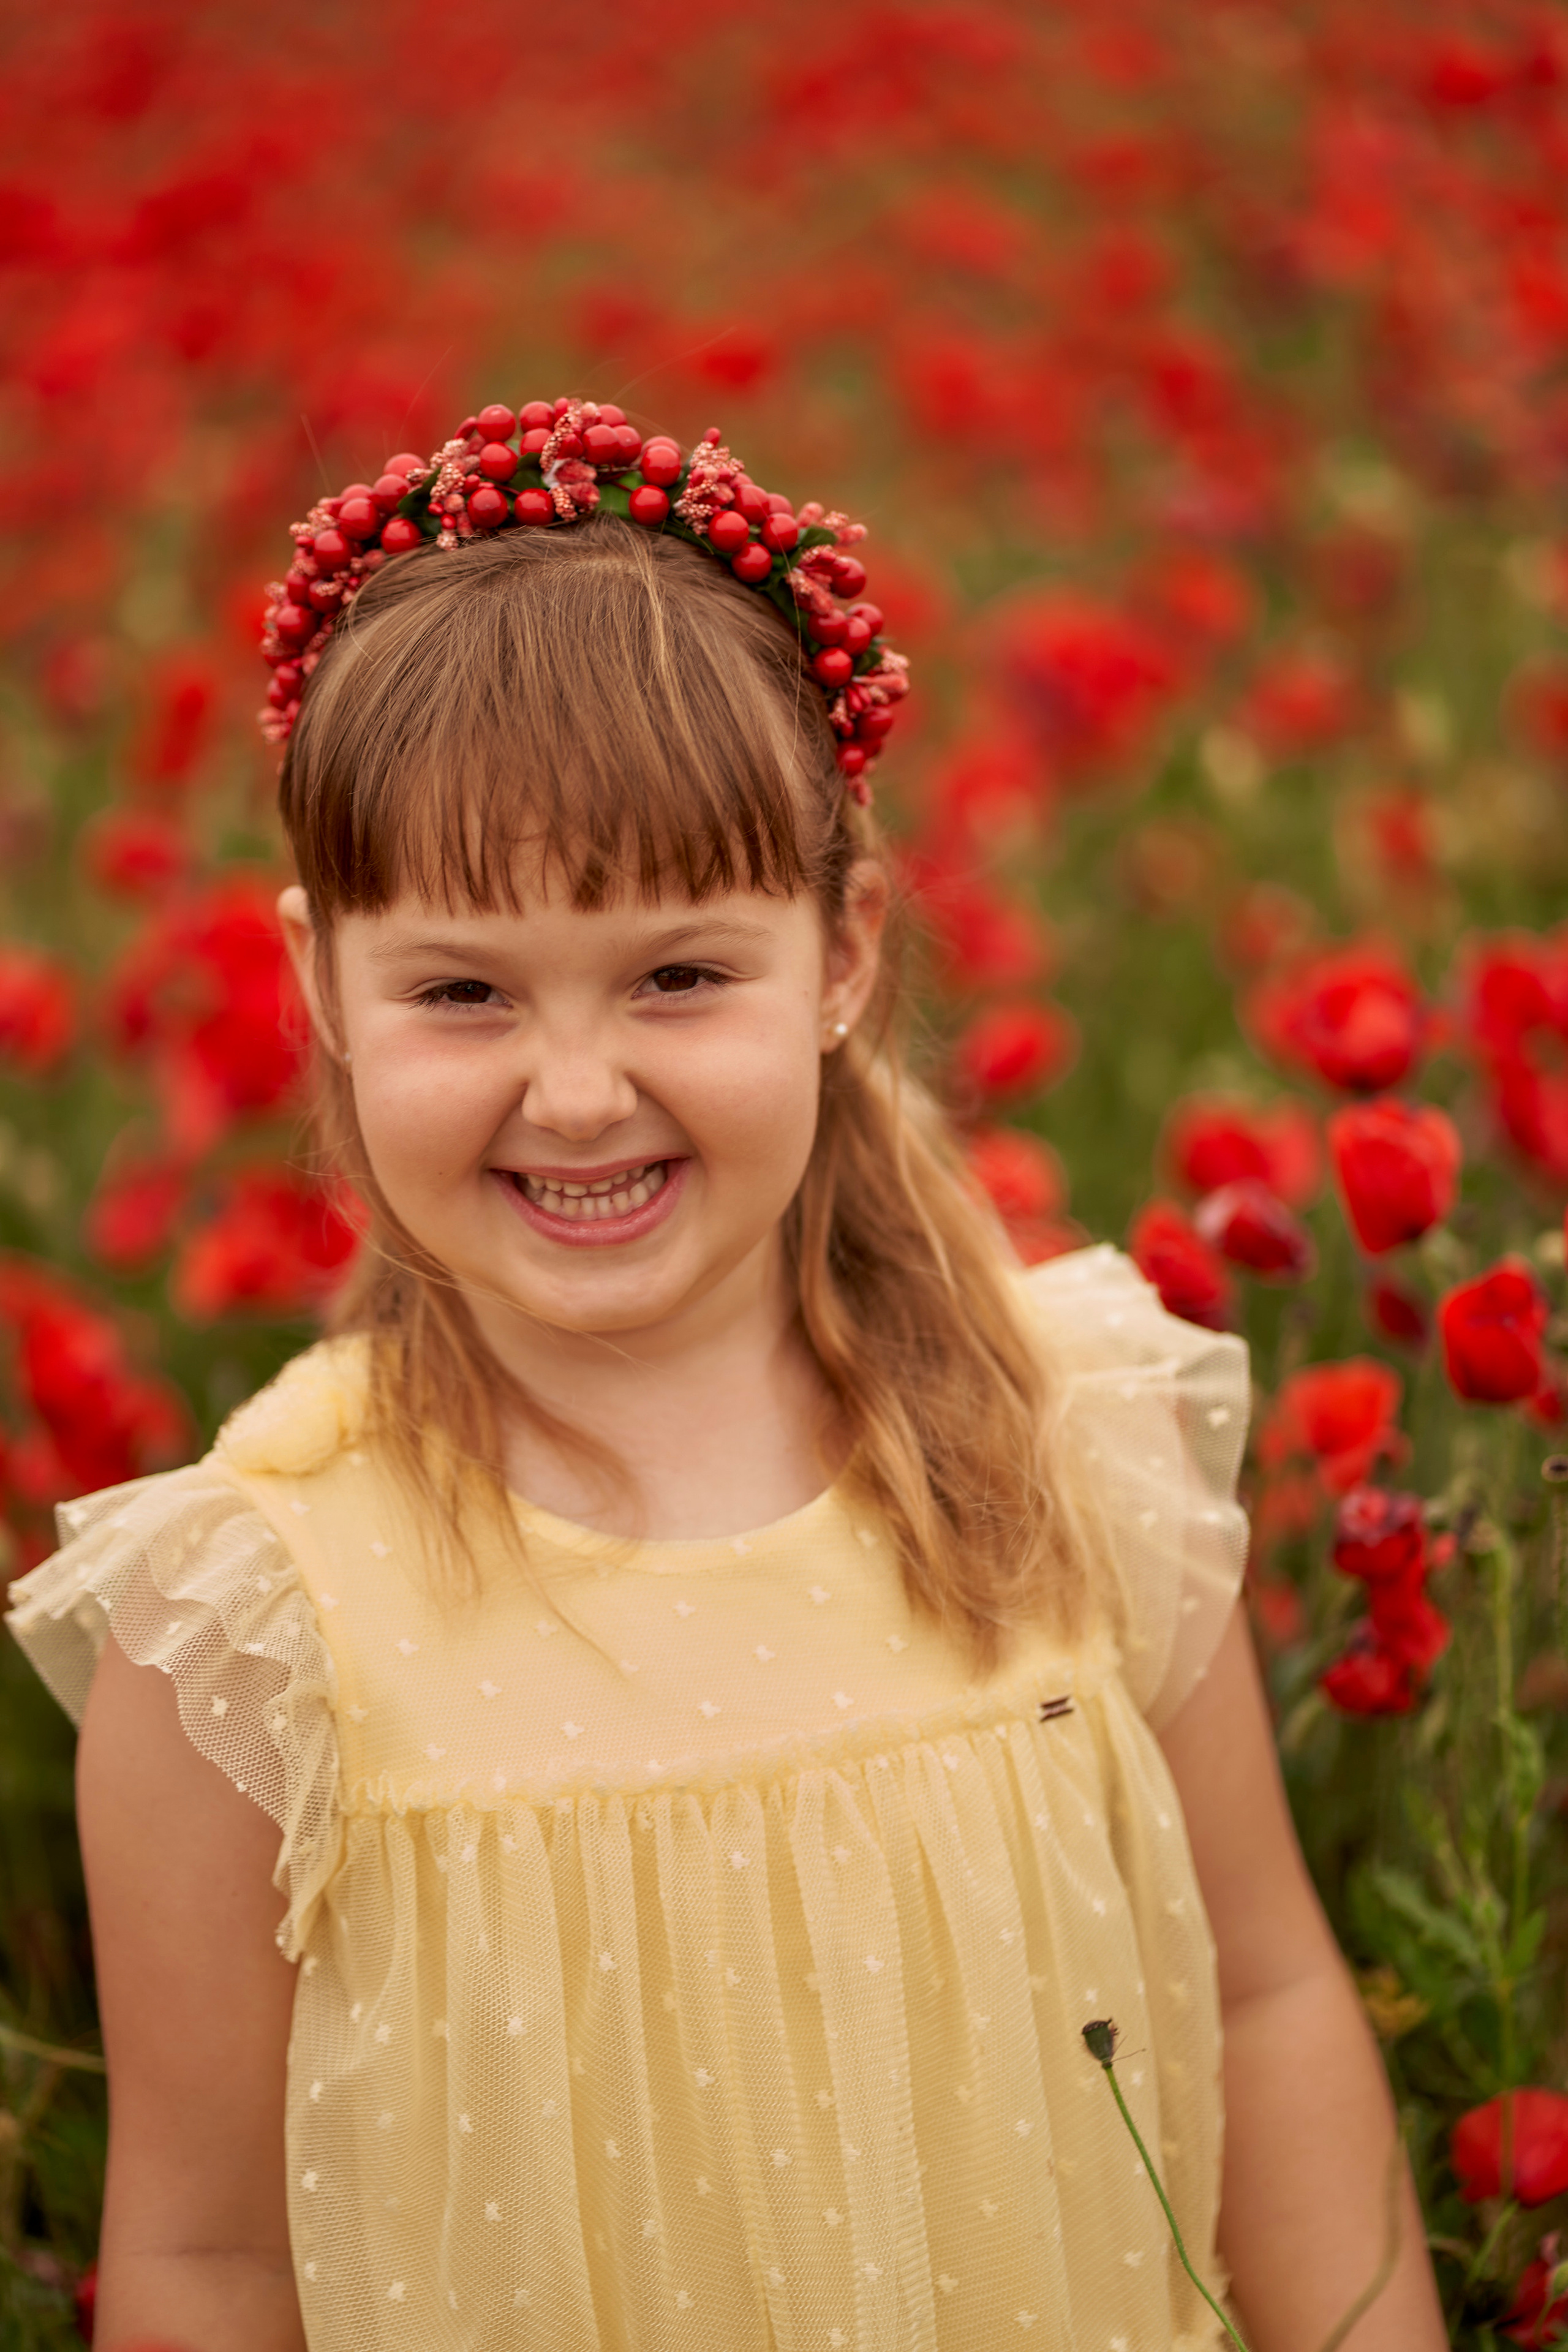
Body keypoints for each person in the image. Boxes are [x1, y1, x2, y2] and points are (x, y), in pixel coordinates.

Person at [6, 399, 1445, 2352]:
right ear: (317, 985)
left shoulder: (1065, 1453)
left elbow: (1269, 2000)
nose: (579, 1089)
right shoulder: (251, 1631)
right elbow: (207, 2261)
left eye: (680, 975)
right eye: (461, 990)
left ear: (842, 949)